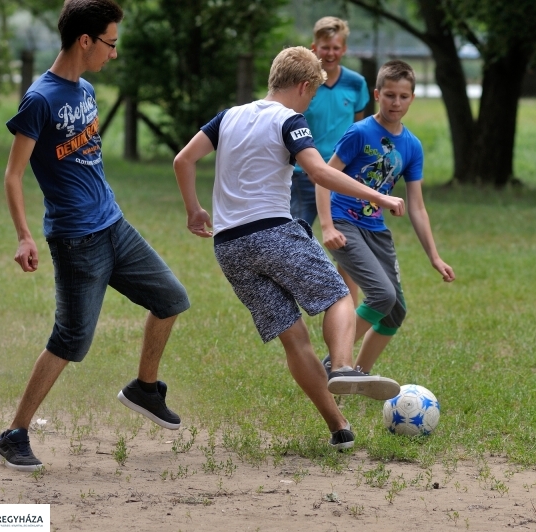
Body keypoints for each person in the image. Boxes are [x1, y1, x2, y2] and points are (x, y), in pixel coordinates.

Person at [173, 46, 403, 450]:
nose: (310, 103)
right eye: (312, 94)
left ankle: (338, 428)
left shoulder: (228, 117)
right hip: (273, 231)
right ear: (303, 86)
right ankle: (343, 367)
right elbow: (319, 172)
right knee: (339, 296)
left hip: (229, 246)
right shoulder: (289, 120)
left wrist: (194, 210)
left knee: (293, 337)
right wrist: (379, 196)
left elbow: (183, 160)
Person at [0, 0, 190, 472]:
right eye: (110, 43)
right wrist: (24, 236)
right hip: (76, 239)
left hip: (114, 226)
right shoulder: (40, 100)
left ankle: (145, 389)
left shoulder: (85, 90)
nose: (114, 53)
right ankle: (15, 433)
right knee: (71, 341)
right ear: (85, 41)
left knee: (171, 299)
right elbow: (13, 175)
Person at [315, 60, 455, 376]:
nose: (396, 103)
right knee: (382, 295)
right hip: (345, 223)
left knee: (395, 311)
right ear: (377, 94)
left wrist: (434, 257)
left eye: (403, 96)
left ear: (412, 98)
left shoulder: (412, 146)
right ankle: (336, 362)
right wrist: (327, 226)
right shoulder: (360, 132)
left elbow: (417, 206)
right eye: (390, 95)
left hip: (376, 230)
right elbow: (323, 177)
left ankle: (358, 377)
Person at [289, 16, 369, 227]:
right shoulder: (303, 84)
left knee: (347, 237)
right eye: (325, 48)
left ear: (344, 49)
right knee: (296, 233)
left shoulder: (356, 83)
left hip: (341, 175)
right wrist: (311, 168)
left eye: (336, 48)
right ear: (314, 48)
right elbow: (290, 130)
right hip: (304, 175)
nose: (330, 53)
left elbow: (359, 131)